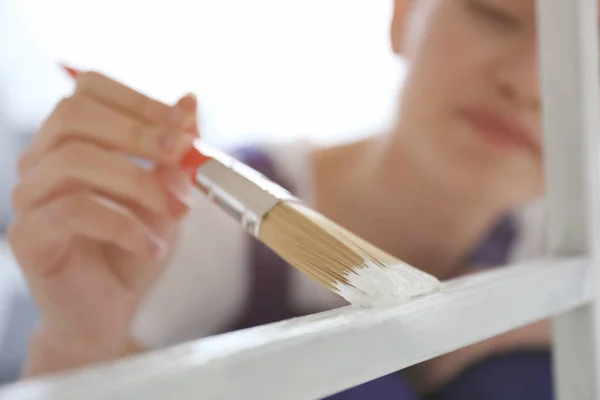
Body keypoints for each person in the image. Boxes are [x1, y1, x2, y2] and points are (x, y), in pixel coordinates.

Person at [8, 0, 555, 398]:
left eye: (584, 55)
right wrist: (80, 341)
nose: (529, 83)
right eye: (494, 14)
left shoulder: (566, 236)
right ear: (403, 15)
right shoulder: (188, 230)